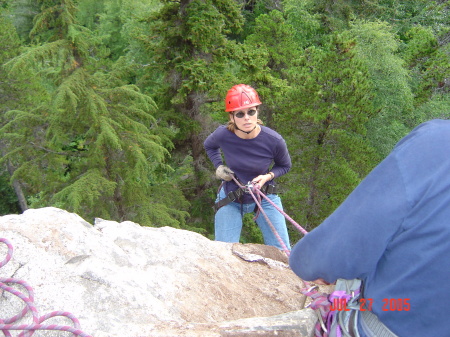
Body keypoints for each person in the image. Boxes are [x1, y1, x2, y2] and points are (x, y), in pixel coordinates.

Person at [289, 119, 450, 337]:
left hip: (389, 322)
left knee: (346, 298)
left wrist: (314, 263)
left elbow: (344, 245)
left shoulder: (436, 143)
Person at [204, 84, 291, 250]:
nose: (247, 118)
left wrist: (268, 176)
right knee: (223, 252)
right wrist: (219, 166)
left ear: (257, 112)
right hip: (231, 197)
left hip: (264, 196)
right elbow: (209, 145)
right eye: (240, 114)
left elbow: (285, 166)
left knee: (284, 252)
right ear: (232, 117)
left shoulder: (274, 140)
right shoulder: (223, 135)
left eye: (251, 111)